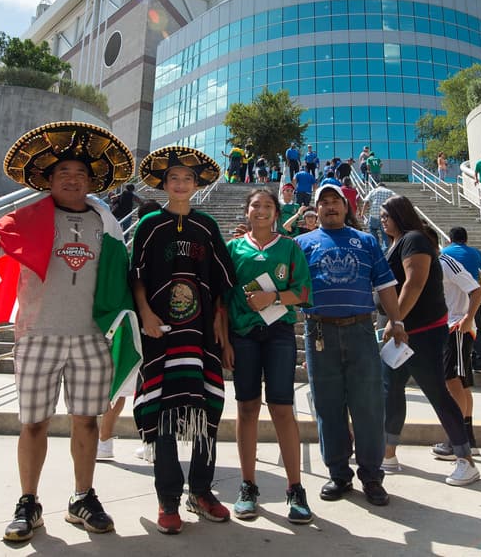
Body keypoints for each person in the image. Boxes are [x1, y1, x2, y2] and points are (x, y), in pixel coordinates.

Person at [0, 121, 139, 542]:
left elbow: (121, 275)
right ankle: (28, 503)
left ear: (91, 182)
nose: (72, 179)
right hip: (37, 334)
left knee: (87, 421)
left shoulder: (106, 223)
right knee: (34, 423)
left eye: (80, 174)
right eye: (64, 173)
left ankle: (82, 498)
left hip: (91, 337)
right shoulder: (30, 217)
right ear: (49, 179)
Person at [130, 146, 237, 534]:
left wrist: (221, 327)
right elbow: (136, 275)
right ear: (163, 183)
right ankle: (168, 498)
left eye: (187, 179)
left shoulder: (206, 226)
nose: (180, 184)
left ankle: (202, 492)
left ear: (196, 184)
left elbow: (223, 281)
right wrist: (146, 313)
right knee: (163, 414)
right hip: (160, 333)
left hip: (201, 334)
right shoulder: (149, 224)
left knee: (206, 412)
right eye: (173, 178)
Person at [296, 183, 406, 507]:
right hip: (319, 332)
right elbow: (290, 286)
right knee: (327, 405)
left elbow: (385, 285)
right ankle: (339, 473)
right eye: (324, 202)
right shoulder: (301, 244)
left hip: (360, 331)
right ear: (316, 209)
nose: (330, 206)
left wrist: (397, 321)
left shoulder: (367, 241)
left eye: (336, 201)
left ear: (346, 207)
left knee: (368, 406)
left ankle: (371, 475)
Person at [225, 188, 314, 523]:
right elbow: (223, 297)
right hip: (243, 335)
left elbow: (303, 291)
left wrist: (273, 298)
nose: (260, 210)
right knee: (247, 407)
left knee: (281, 408)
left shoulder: (289, 247)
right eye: (255, 205)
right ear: (246, 211)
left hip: (279, 334)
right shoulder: (234, 248)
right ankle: (248, 486)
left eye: (267, 206)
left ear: (277, 213)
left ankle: (295, 488)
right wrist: (225, 340)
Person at [378, 195, 480, 486]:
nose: (382, 220)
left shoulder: (414, 239)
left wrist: (396, 319)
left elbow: (414, 282)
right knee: (391, 391)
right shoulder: (396, 243)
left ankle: (465, 460)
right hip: (401, 333)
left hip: (421, 331)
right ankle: (388, 454)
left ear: (400, 214)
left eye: (386, 215)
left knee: (437, 392)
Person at [97, 200, 162, 463]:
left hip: (130, 324)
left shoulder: (131, 248)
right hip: (155, 325)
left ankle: (105, 442)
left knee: (122, 386)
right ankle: (150, 443)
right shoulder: (160, 246)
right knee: (148, 388)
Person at [434, 248, 481, 457]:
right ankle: (467, 439)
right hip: (450, 328)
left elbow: (477, 290)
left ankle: (456, 441)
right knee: (460, 384)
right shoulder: (434, 265)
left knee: (452, 381)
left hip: (456, 328)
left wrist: (467, 318)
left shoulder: (446, 263)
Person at [442, 227, 481, 371]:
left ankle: (459, 361)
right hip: (473, 293)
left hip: (453, 295)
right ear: (466, 239)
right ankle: (480, 360)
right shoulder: (475, 252)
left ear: (449, 239)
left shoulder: (444, 253)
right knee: (478, 327)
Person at [361, 180, 397, 250]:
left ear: (377, 186)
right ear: (385, 187)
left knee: (372, 230)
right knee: (385, 235)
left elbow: (366, 202)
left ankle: (375, 246)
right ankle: (384, 251)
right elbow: (397, 199)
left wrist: (362, 213)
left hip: (373, 215)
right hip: (385, 216)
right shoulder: (389, 191)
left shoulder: (373, 191)